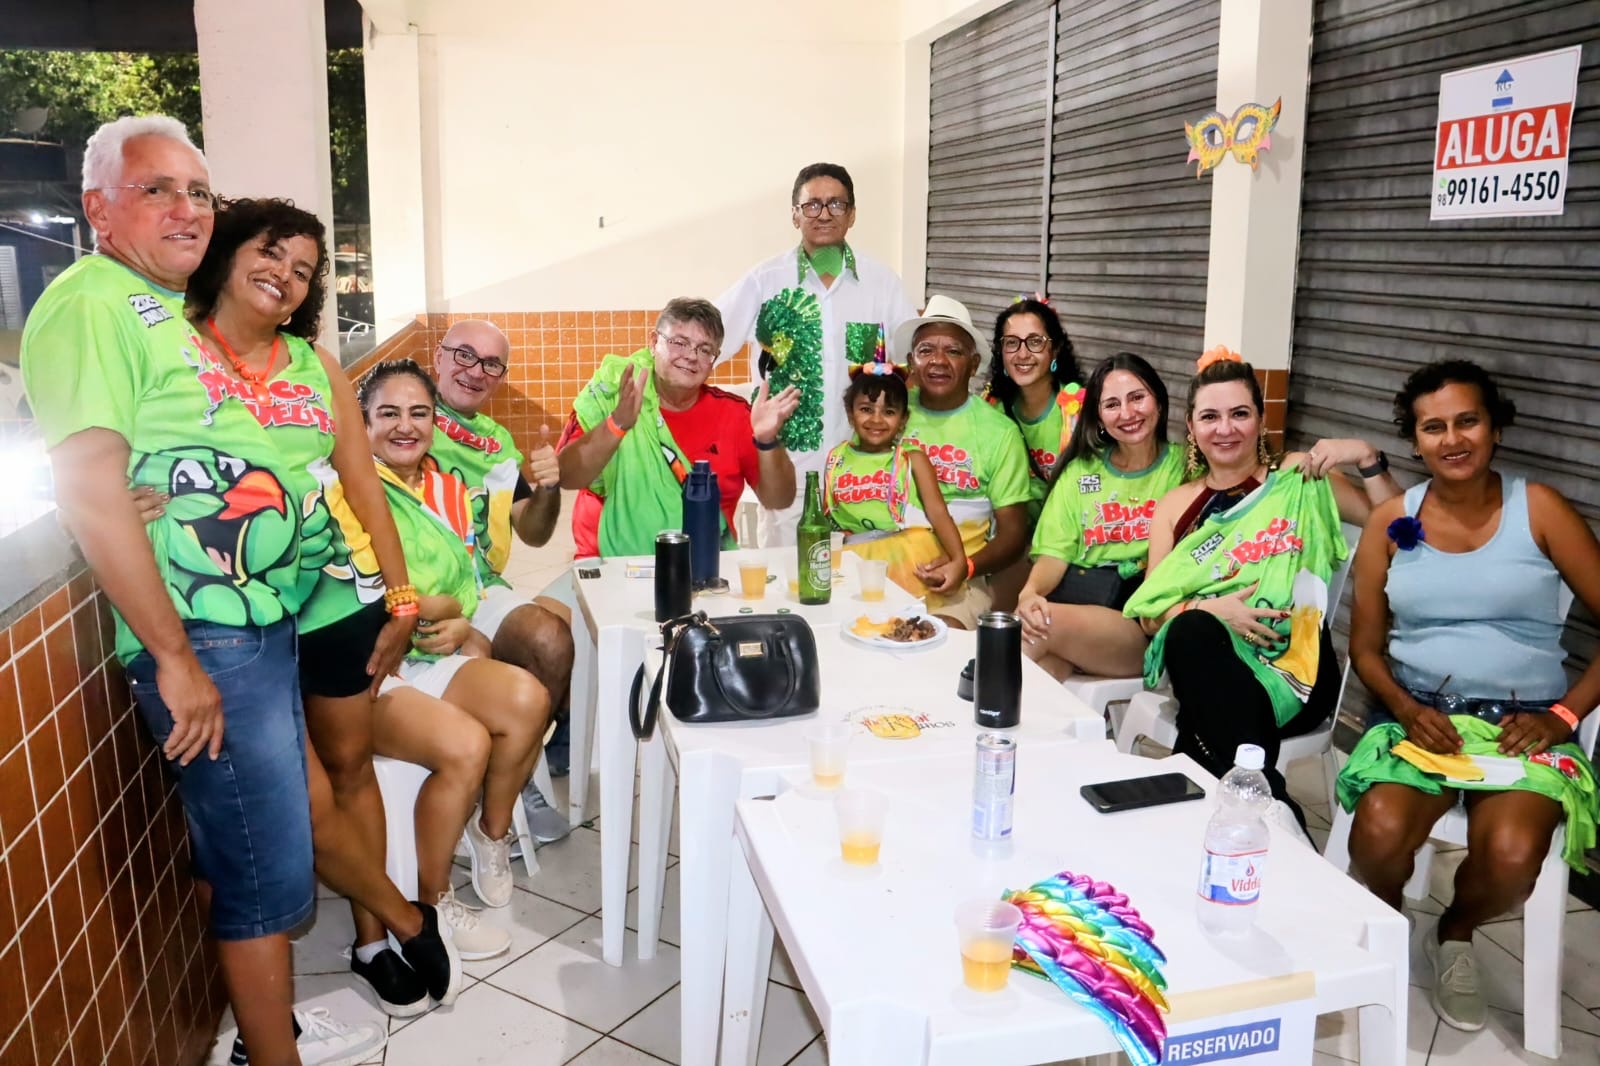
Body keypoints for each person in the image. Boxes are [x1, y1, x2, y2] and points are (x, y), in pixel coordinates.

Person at [19, 116, 384, 1065]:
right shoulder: (92, 302)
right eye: (156, 189)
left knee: (271, 851)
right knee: (263, 869)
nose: (185, 208)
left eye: (197, 192)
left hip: (255, 624)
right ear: (98, 208)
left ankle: (278, 1028)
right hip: (206, 635)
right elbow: (88, 483)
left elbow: (144, 454)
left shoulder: (154, 307)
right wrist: (176, 659)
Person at [179, 198, 461, 1024]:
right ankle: (404, 920)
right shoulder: (174, 351)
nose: (286, 276)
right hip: (234, 616)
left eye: (304, 271)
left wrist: (400, 597)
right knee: (292, 797)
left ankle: (372, 942)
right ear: (228, 254)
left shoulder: (315, 366)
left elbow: (364, 486)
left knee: (349, 769)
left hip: (333, 599)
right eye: (271, 254)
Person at [1339, 360, 1600, 1033]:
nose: (1452, 439)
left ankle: (1454, 932)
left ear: (1495, 428)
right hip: (1420, 717)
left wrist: (1564, 714)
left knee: (1511, 856)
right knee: (1377, 835)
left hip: (1526, 727)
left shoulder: (1540, 509)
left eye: (1467, 421)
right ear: (1415, 439)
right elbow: (1365, 649)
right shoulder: (1392, 521)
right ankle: (1389, 917)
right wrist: (1404, 709)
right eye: (1434, 427)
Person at [1123, 348, 1401, 822]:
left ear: (1260, 420)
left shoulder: (1299, 479)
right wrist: (1210, 610)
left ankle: (1243, 810)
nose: (1225, 429)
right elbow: (1150, 615)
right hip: (1210, 660)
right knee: (1192, 631)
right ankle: (1272, 810)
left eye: (1239, 414)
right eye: (1210, 417)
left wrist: (1366, 457)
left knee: (1202, 723)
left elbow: (1400, 530)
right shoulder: (1175, 506)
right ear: (1191, 427)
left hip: (1299, 668)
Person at [358, 360, 552, 945]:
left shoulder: (446, 488)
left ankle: (490, 833)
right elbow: (361, 591)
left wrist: (459, 616)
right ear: (361, 423)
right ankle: (433, 901)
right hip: (372, 668)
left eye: (418, 413)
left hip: (431, 652)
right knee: (468, 743)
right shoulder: (349, 489)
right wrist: (434, 608)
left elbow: (469, 580)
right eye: (388, 413)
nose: (405, 426)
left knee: (529, 698)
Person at [716, 162, 917, 546]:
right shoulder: (764, 281)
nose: (824, 214)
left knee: (863, 575)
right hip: (789, 473)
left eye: (836, 204)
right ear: (795, 215)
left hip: (865, 472)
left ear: (852, 214)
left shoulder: (882, 284)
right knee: (788, 574)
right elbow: (710, 340)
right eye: (812, 205)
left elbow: (912, 364)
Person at [424, 319, 573, 832]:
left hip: (479, 585)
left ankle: (513, 770)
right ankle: (490, 779)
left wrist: (548, 489)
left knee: (551, 638)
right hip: (417, 591)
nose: (476, 371)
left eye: (491, 364)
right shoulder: (406, 415)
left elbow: (533, 532)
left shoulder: (496, 444)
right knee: (478, 654)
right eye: (464, 355)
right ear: (438, 355)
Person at [557, 298, 800, 556]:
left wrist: (767, 441)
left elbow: (779, 499)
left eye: (704, 350)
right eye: (679, 342)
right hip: (609, 566)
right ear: (654, 342)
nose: (691, 356)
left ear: (714, 359)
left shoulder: (734, 414)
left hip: (705, 565)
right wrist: (616, 424)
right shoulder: (612, 394)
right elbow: (566, 477)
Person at [1015, 353, 1183, 682]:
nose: (1127, 413)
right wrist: (1030, 592)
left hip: (1136, 621)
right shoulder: (1081, 471)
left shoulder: (1185, 468)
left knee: (1033, 627)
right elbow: (1054, 554)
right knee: (1042, 673)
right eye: (1112, 404)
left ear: (1160, 402)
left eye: (1137, 398)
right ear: (1099, 416)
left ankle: (975, 701)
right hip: (1074, 607)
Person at [895, 295, 1032, 626]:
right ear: (911, 361)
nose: (938, 361)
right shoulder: (887, 412)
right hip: (886, 571)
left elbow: (1014, 534)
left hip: (961, 585)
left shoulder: (999, 432)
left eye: (953, 351)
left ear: (973, 364)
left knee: (936, 637)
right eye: (926, 350)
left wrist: (966, 566)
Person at [820, 355, 967, 600]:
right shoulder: (836, 459)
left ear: (903, 420)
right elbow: (829, 517)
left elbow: (938, 513)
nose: (876, 420)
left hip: (904, 557)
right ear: (850, 413)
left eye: (888, 412)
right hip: (854, 559)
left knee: (900, 616)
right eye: (866, 409)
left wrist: (959, 560)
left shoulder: (912, 460)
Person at [984, 294, 1084, 518]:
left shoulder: (1079, 410)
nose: (1022, 354)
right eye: (1012, 342)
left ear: (1055, 349)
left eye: (1035, 341)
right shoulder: (990, 410)